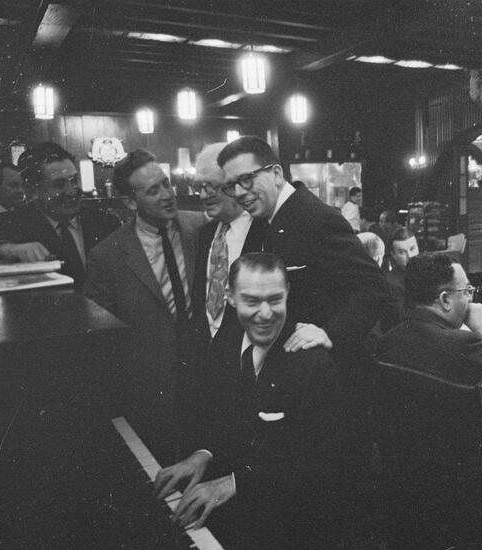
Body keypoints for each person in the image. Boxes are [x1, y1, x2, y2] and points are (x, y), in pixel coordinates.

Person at [154, 253, 345, 549]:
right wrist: (202, 454)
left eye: (275, 299)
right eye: (252, 301)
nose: (265, 314)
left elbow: (320, 465)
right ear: (230, 297)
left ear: (288, 293)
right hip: (234, 518)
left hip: (287, 527)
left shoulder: (314, 364)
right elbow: (218, 417)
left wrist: (236, 482)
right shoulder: (226, 342)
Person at [216, 136, 392, 358]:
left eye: (246, 179)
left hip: (321, 364)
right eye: (231, 186)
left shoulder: (316, 218)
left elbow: (375, 287)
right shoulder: (264, 218)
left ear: (276, 174)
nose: (239, 192)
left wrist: (329, 334)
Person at [84, 149, 206, 461]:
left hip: (204, 372)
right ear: (130, 202)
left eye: (166, 183)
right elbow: (101, 338)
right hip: (149, 385)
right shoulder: (108, 255)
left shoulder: (200, 228)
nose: (167, 195)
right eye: (153, 191)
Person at [376, 254, 482, 476]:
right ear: (445, 300)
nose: (470, 299)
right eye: (466, 291)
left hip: (422, 470)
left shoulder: (388, 342)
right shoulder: (465, 345)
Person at [0, 142, 120, 284]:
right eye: (59, 184)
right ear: (32, 190)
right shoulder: (15, 224)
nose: (71, 191)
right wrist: (7, 249)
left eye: (74, 181)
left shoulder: (107, 223)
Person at [189, 142, 266, 348]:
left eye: (211, 186)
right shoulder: (204, 234)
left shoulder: (265, 231)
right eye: (199, 187)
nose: (203, 195)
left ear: (234, 184)